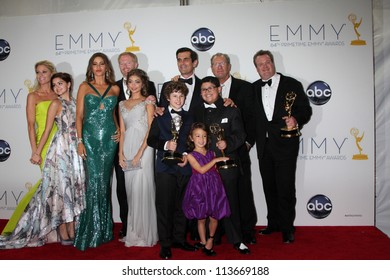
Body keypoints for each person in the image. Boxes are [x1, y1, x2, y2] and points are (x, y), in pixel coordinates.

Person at [0, 72, 85, 249]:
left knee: (73, 189)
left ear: (69, 84)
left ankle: (72, 227)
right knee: (60, 190)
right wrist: (36, 152)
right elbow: (46, 130)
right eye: (54, 85)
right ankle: (62, 230)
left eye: (60, 84)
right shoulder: (55, 103)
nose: (57, 88)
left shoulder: (77, 103)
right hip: (60, 149)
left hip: (74, 150)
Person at [252, 50, 312, 243]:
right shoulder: (252, 88)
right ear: (256, 68)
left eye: (267, 62)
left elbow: (306, 110)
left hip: (286, 144)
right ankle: (273, 223)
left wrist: (296, 119)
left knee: (285, 188)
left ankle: (287, 228)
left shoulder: (292, 84)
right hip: (264, 146)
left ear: (273, 63)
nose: (265, 66)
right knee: (269, 187)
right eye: (260, 64)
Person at [193, 76, 250, 255]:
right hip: (205, 167)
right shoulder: (197, 111)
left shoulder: (231, 109)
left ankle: (237, 240)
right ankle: (211, 239)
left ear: (219, 89)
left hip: (226, 164)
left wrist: (228, 144)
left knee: (231, 202)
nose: (208, 92)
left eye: (211, 88)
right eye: (204, 89)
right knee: (208, 204)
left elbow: (240, 135)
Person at [1, 60, 58, 236]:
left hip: (62, 143)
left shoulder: (59, 94)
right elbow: (30, 125)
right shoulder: (33, 96)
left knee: (59, 187)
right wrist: (35, 151)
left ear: (51, 73)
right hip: (44, 143)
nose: (40, 76)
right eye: (38, 72)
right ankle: (42, 228)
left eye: (44, 72)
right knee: (48, 185)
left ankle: (55, 227)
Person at [210, 52, 258, 245]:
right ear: (211, 68)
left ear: (229, 66)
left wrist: (247, 143)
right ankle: (220, 231)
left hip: (238, 149)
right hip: (215, 152)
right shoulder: (207, 88)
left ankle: (247, 232)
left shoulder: (245, 88)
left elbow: (254, 117)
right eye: (215, 64)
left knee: (242, 191)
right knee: (218, 192)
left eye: (223, 63)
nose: (219, 67)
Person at [74, 52, 120, 251]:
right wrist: (80, 141)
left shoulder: (115, 88)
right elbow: (79, 116)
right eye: (95, 64)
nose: (99, 67)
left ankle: (104, 229)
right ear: (91, 67)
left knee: (105, 182)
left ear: (107, 67)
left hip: (109, 141)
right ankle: (90, 229)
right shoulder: (84, 86)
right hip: (90, 140)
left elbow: (113, 113)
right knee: (93, 182)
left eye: (102, 64)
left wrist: (118, 129)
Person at [147, 81, 196, 259]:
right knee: (165, 207)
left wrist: (186, 154)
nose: (178, 99)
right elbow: (151, 140)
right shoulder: (159, 116)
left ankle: (179, 239)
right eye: (174, 96)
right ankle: (165, 244)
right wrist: (166, 144)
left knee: (182, 206)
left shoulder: (190, 117)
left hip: (184, 167)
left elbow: (193, 141)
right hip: (165, 168)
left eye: (181, 96)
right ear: (167, 98)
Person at [114, 52, 157, 240]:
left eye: (137, 82)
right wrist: (120, 155)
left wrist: (140, 152)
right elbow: (122, 131)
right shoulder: (122, 103)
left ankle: (145, 233)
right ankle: (133, 230)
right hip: (128, 148)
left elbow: (151, 129)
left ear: (142, 83)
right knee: (130, 190)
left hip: (144, 148)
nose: (133, 85)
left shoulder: (148, 102)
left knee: (143, 187)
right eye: (130, 82)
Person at [182, 122, 231, 257]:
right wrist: (215, 161)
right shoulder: (190, 155)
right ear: (191, 138)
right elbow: (202, 170)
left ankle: (210, 239)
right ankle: (204, 242)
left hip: (213, 186)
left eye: (204, 136)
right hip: (199, 187)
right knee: (201, 218)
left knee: (214, 216)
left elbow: (214, 171)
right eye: (197, 136)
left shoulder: (211, 153)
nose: (201, 139)